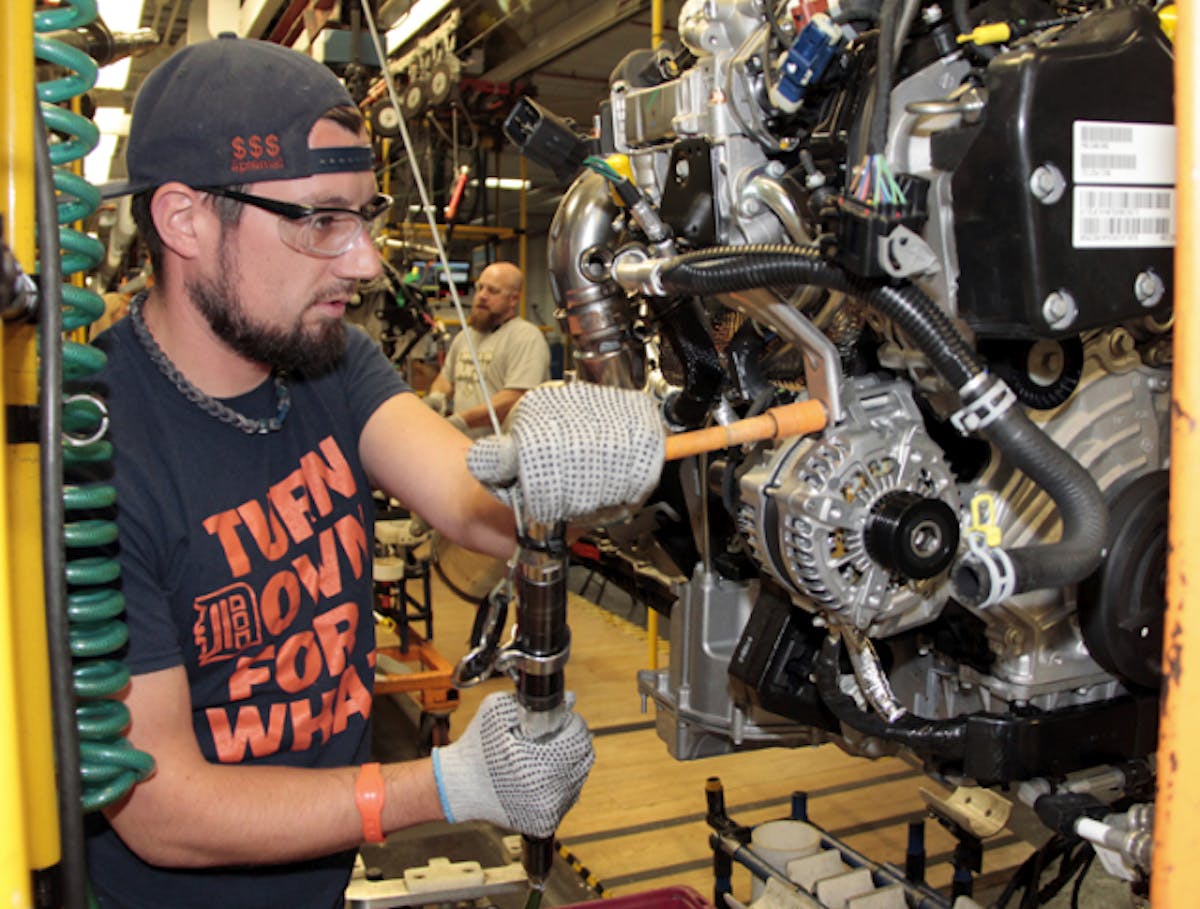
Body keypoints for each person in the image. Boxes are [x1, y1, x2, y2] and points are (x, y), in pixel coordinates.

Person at [81, 35, 664, 909]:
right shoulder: (91, 457)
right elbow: (160, 803)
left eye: (365, 217)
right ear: (184, 220)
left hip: (319, 879)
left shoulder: (331, 363)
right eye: (321, 221)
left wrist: (570, 468)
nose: (362, 262)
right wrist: (444, 788)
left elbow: (474, 504)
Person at [424, 261, 549, 438]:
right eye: (480, 288)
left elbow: (515, 398)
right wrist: (437, 396)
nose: (482, 296)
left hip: (505, 452)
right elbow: (446, 378)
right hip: (465, 444)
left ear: (513, 299)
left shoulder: (525, 337)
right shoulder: (465, 336)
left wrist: (462, 421)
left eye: (493, 291)